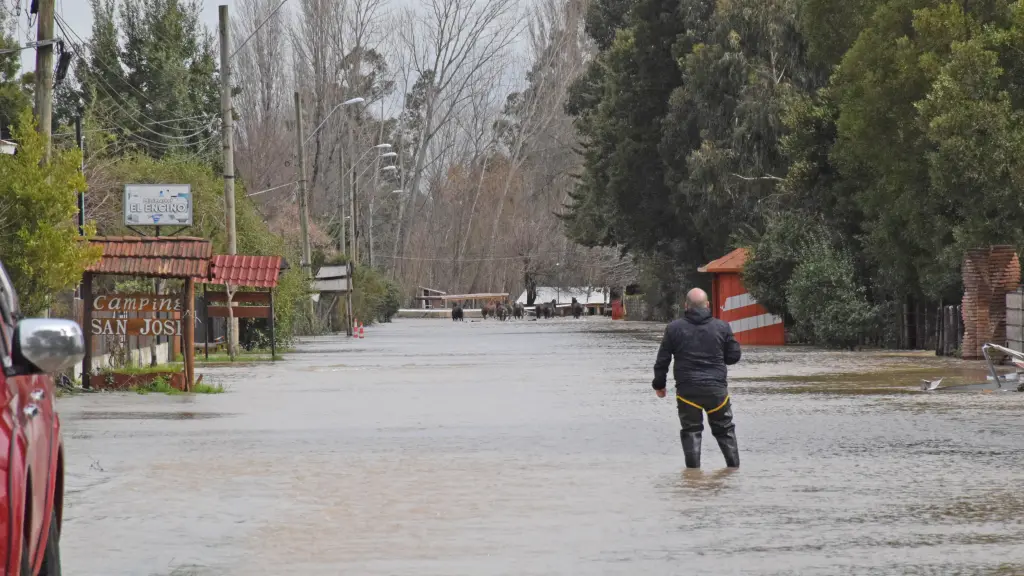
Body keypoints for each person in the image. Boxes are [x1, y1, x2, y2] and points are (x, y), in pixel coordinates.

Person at [652, 288, 742, 468]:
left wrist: (659, 385)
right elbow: (734, 357)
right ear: (707, 305)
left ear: (686, 306)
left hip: (687, 391)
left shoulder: (673, 328)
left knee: (691, 431)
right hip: (716, 390)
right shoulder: (722, 327)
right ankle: (734, 472)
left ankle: (693, 478)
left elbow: (662, 361)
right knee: (725, 430)